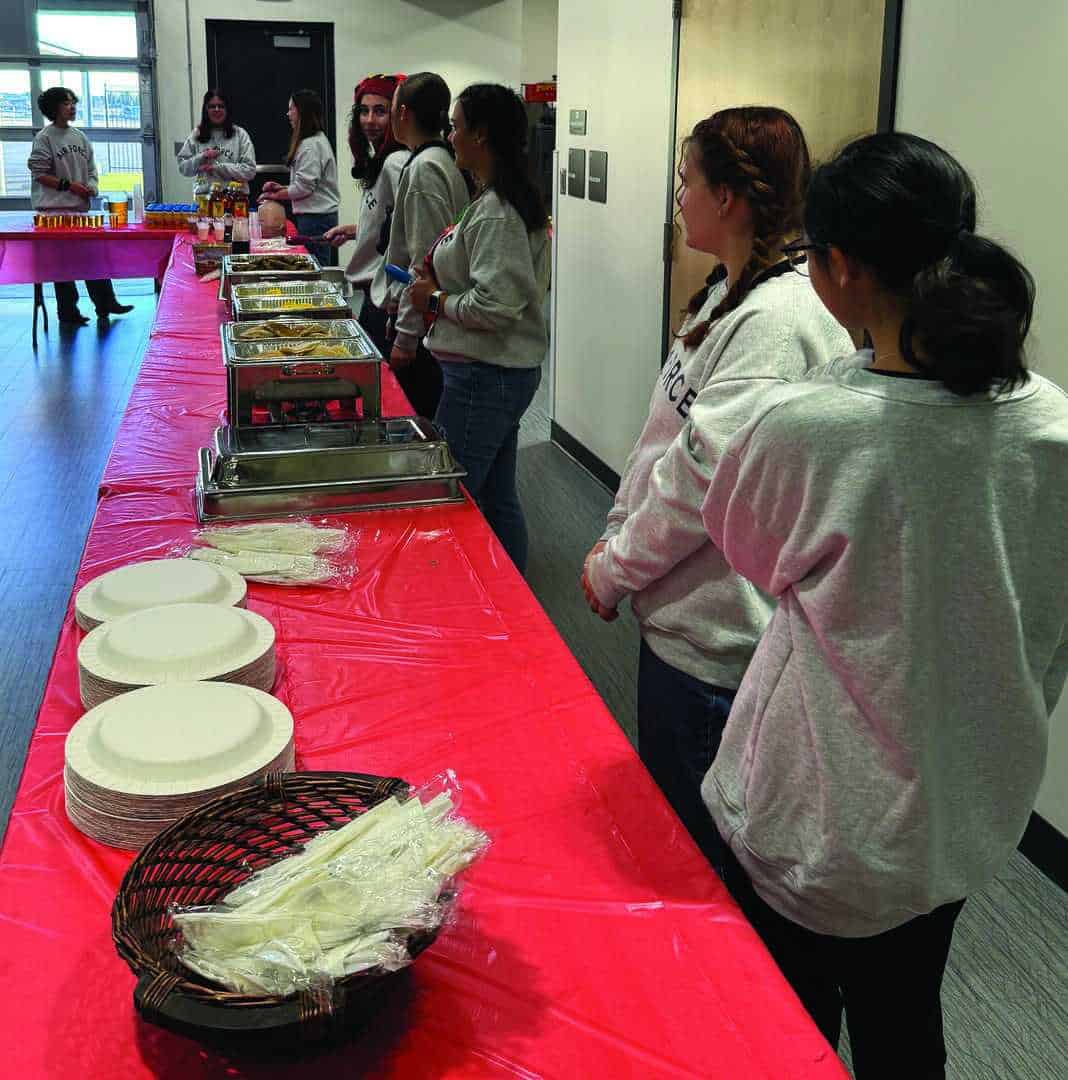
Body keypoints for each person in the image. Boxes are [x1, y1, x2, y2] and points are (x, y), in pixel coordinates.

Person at [695, 131, 1067, 1079]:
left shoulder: (809, 426)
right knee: (907, 1018)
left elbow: (748, 550)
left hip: (823, 813)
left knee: (785, 1029)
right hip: (964, 805)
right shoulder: (1053, 423)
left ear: (841, 266)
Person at [580, 108, 852, 855]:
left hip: (715, 641)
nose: (679, 199)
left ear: (727, 198)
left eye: (686, 182)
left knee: (692, 862)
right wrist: (616, 534)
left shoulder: (775, 319)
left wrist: (615, 568)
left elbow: (699, 483)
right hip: (682, 618)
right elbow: (663, 448)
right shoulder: (728, 293)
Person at [407, 84, 549, 574]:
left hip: (486, 376)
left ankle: (476, 598)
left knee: (454, 492)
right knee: (495, 492)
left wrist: (436, 300)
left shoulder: (498, 212)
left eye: (457, 125)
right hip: (491, 372)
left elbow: (496, 305)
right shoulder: (489, 199)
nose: (450, 135)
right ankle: (510, 594)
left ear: (482, 135)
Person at [369, 72, 469, 419]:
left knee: (418, 421)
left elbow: (425, 263)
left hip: (426, 328)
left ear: (403, 114)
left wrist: (405, 338)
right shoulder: (436, 160)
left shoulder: (426, 168)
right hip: (431, 320)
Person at [27, 86, 133, 325]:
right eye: (66, 103)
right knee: (62, 266)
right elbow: (39, 173)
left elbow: (91, 168)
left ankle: (106, 303)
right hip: (54, 211)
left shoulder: (79, 136)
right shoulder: (44, 138)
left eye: (73, 102)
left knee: (93, 258)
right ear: (54, 108)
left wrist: (92, 186)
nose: (72, 107)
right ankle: (68, 312)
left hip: (78, 209)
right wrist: (69, 185)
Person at [324, 73, 408, 354]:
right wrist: (353, 230)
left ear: (398, 115)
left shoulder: (397, 162)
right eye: (364, 111)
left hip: (388, 295)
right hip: (375, 292)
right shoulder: (380, 159)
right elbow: (390, 223)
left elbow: (411, 231)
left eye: (380, 111)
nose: (369, 120)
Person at [259, 89, 340, 267]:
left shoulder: (311, 145)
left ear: (301, 112)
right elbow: (305, 183)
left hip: (316, 219)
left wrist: (275, 196)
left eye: (291, 109)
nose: (288, 114)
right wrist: (281, 188)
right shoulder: (312, 141)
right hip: (315, 217)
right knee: (313, 265)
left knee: (315, 267)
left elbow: (304, 188)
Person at [176, 89, 256, 198]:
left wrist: (218, 168)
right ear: (206, 110)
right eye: (212, 106)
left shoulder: (240, 135)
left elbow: (249, 171)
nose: (217, 110)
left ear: (227, 109)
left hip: (235, 201)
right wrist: (202, 157)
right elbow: (183, 168)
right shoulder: (196, 134)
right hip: (205, 200)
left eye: (221, 106)